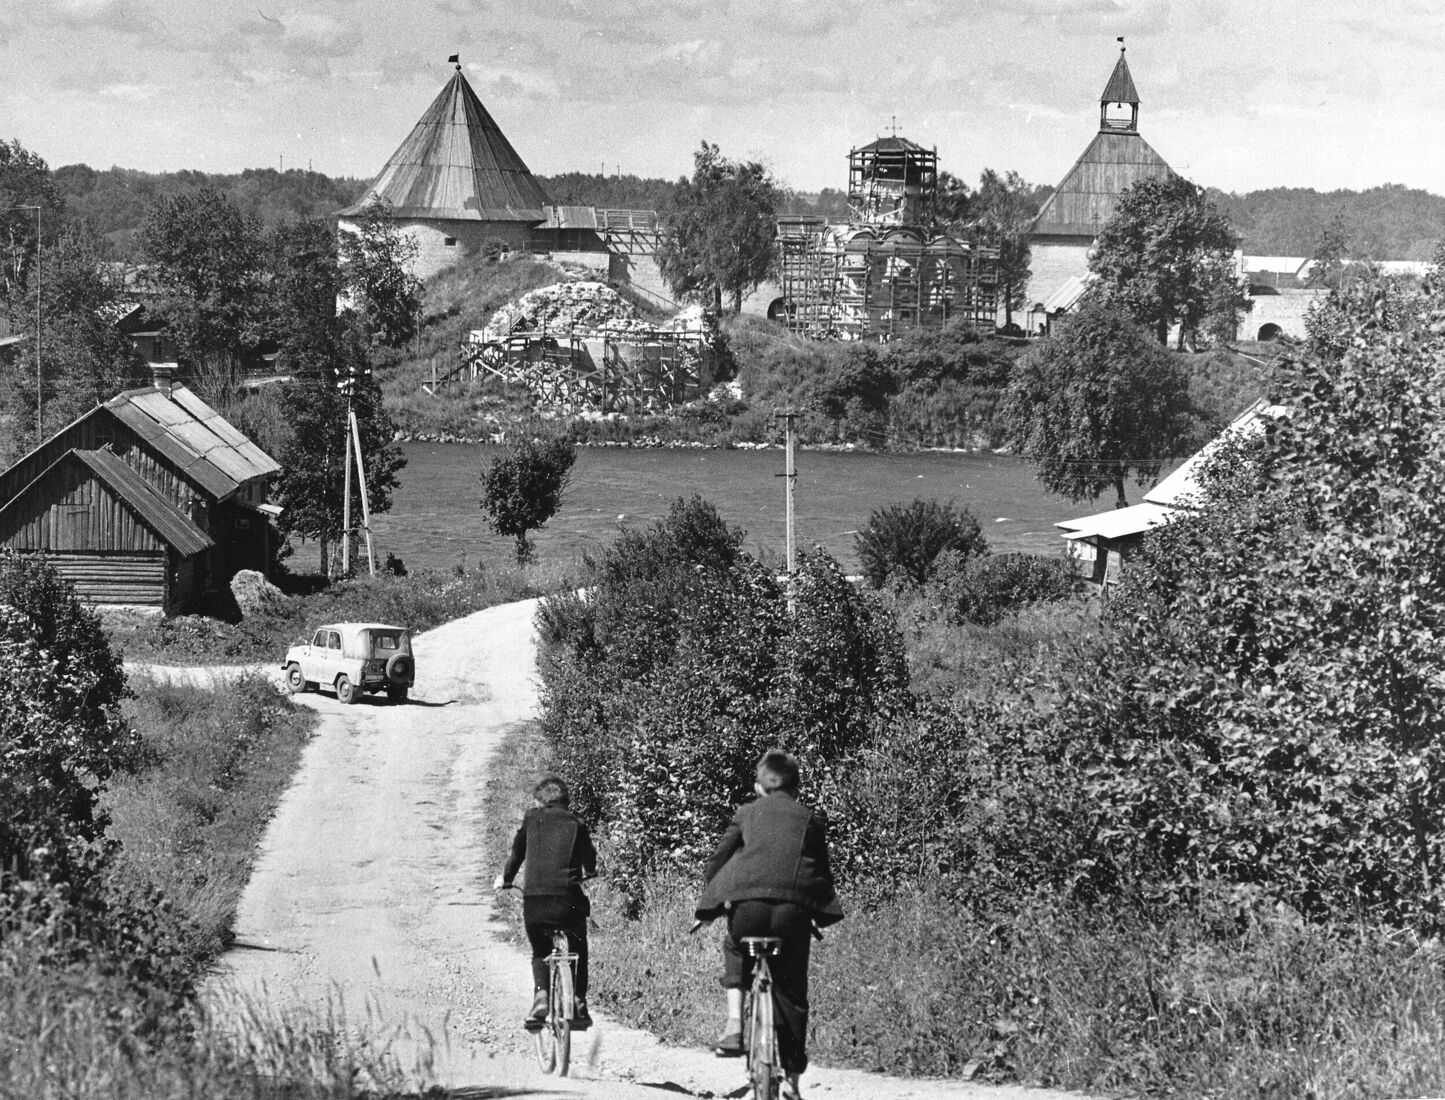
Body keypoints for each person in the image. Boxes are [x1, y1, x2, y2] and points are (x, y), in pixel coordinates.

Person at [695, 750, 844, 1099]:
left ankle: (734, 1025)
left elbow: (717, 861)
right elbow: (822, 873)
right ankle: (791, 1080)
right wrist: (819, 911)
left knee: (735, 945)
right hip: (793, 914)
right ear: (796, 787)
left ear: (759, 786)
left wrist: (711, 901)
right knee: (792, 992)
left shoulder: (746, 813)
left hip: (748, 910)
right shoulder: (810, 819)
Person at [495, 776, 597, 1030]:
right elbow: (590, 861)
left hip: (535, 903)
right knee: (578, 946)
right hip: (568, 901)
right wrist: (590, 870)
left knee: (541, 951)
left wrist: (506, 880)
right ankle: (578, 1001)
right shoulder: (577, 822)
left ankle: (541, 996)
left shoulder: (531, 819)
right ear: (565, 800)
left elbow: (516, 855)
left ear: (540, 802)